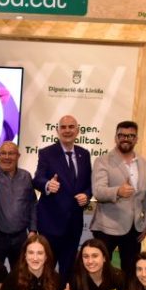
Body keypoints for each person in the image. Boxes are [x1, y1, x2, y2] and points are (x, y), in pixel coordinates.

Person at [90, 121, 146, 275]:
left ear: (136, 139)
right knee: (101, 272)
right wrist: (118, 191)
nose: (126, 138)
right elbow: (98, 191)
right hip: (106, 228)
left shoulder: (144, 163)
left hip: (134, 229)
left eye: (131, 136)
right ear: (116, 138)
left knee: (131, 272)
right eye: (122, 135)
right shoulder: (102, 161)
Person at [33, 115, 92, 280]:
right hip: (50, 225)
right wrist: (48, 185)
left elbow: (89, 183)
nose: (67, 130)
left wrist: (87, 195)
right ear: (57, 131)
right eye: (63, 127)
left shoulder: (84, 154)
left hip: (74, 226)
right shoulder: (47, 153)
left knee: (68, 272)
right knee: (46, 271)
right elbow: (37, 179)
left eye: (71, 127)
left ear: (77, 131)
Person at [0, 141, 36, 269]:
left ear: (18, 156)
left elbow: (32, 204)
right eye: (3, 153)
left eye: (11, 153)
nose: (7, 157)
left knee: (20, 274)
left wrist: (33, 230)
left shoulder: (26, 176)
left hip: (20, 238)